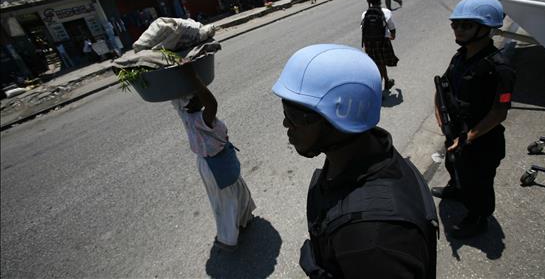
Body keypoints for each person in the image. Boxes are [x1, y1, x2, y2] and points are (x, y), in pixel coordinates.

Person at [272, 44, 438, 278]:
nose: (286, 124)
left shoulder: (373, 239)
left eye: (295, 115)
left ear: (340, 117)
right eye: (285, 110)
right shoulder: (373, 153)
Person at [432, 0, 516, 239]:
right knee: (454, 165)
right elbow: (443, 85)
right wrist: (440, 115)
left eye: (466, 25)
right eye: (456, 25)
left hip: (481, 140)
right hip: (456, 131)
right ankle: (458, 189)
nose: (458, 29)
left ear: (486, 28)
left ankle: (478, 218)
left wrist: (468, 138)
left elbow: (499, 113)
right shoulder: (460, 57)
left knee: (479, 182)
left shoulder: (499, 68)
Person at [172, 64, 256, 251]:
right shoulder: (201, 119)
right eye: (196, 95)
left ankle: (245, 218)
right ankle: (228, 238)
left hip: (217, 161)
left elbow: (178, 98)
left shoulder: (185, 115)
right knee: (226, 201)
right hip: (215, 166)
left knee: (235, 191)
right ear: (188, 103)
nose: (200, 96)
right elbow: (212, 103)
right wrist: (193, 76)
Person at [361, 0, 399, 92]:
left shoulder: (364, 14)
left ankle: (387, 81)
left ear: (369, 0)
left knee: (378, 64)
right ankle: (378, 91)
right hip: (382, 43)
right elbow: (392, 29)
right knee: (380, 65)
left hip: (369, 44)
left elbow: (363, 29)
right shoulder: (386, 12)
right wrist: (393, 36)